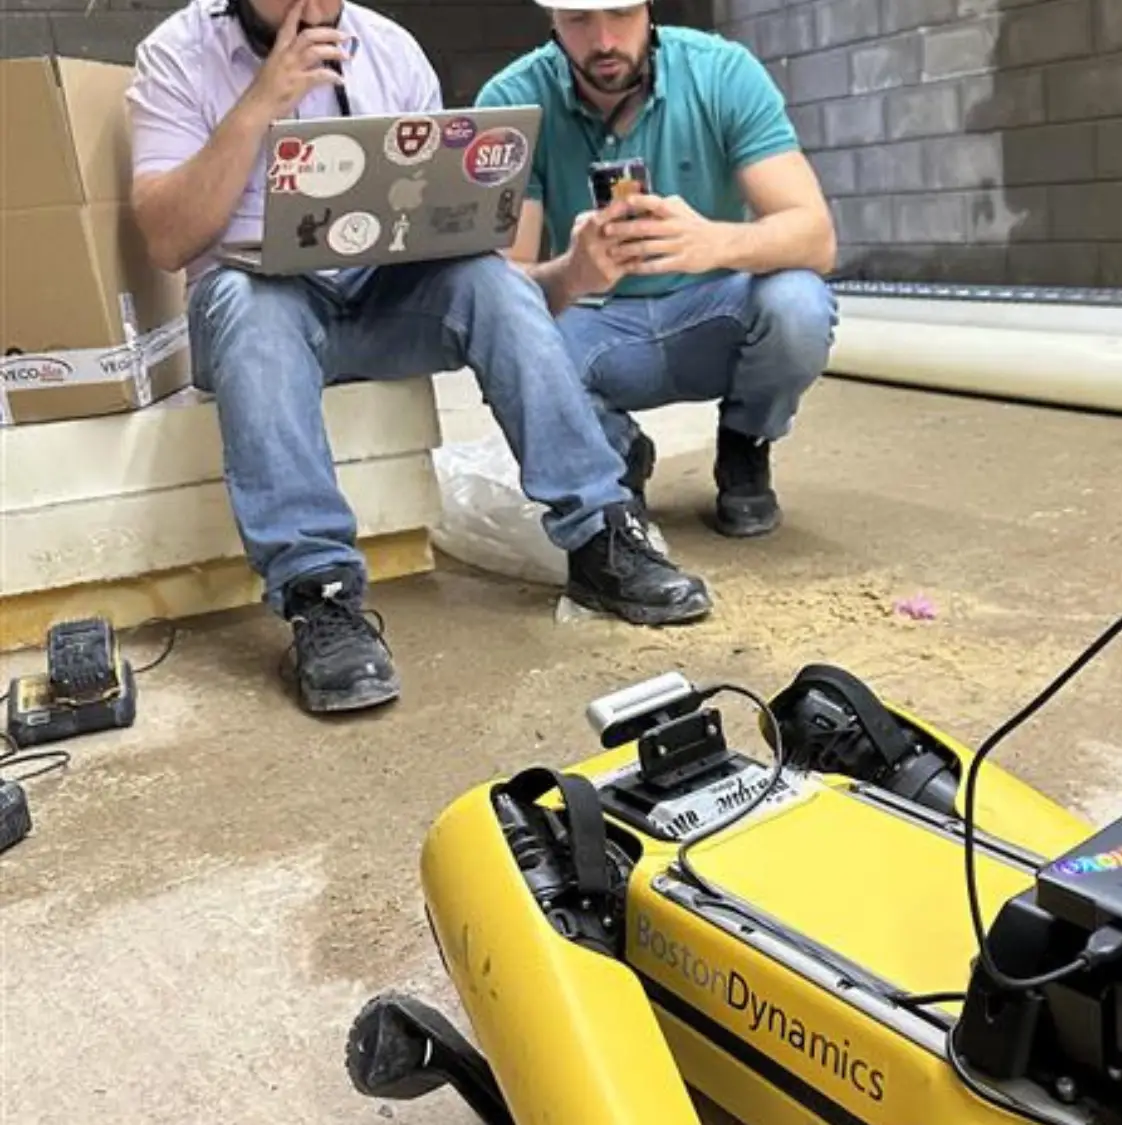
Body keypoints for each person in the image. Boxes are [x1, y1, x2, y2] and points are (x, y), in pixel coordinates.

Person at [124, 0, 714, 716]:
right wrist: (260, 102)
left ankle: (599, 535)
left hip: (380, 293)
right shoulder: (175, 53)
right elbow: (166, 239)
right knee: (254, 306)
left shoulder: (391, 49)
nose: (312, 6)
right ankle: (320, 594)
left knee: (492, 282)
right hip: (259, 308)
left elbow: (440, 218)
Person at [475, 0, 839, 538]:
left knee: (798, 302)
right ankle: (618, 448)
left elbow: (817, 237)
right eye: (578, 20)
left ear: (649, 9)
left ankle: (746, 441)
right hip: (596, 323)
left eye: (620, 14)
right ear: (551, 19)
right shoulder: (512, 101)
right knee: (505, 343)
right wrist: (573, 272)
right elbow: (493, 289)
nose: (602, 40)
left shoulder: (721, 72)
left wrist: (714, 242)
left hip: (711, 309)